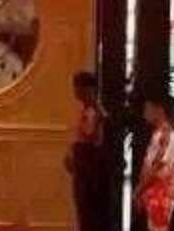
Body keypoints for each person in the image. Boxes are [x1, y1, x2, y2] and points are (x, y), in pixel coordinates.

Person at [65, 71, 111, 231]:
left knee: (89, 211)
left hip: (90, 170)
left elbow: (93, 138)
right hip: (83, 167)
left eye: (78, 87)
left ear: (88, 89)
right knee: (83, 211)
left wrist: (77, 152)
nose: (75, 92)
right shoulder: (86, 110)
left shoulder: (96, 112)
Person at [135, 91, 174, 231]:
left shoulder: (165, 135)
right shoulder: (159, 134)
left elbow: (156, 167)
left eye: (147, 108)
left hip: (161, 196)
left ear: (159, 109)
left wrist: (138, 190)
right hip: (154, 196)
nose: (144, 113)